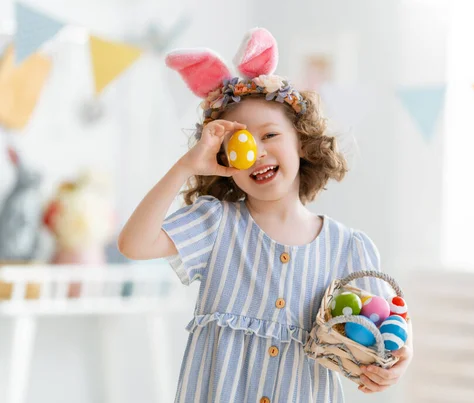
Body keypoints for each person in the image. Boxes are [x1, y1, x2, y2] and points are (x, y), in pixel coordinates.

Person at [118, 27, 412, 403]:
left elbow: (389, 320)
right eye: (239, 145)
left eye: (269, 135)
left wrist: (404, 352)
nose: (255, 152)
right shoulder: (214, 225)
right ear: (224, 162)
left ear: (301, 142)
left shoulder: (346, 248)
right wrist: (185, 166)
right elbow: (133, 243)